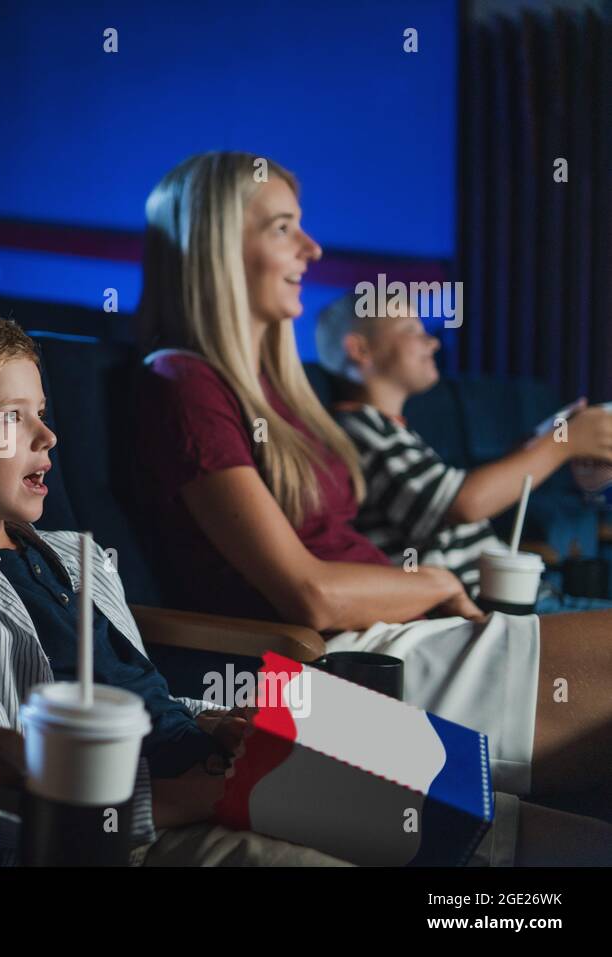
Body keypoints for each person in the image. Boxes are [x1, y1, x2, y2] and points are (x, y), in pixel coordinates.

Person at [0, 308, 608, 866]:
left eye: (44, 414)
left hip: (204, 754)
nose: (47, 437)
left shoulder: (73, 553)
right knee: (416, 837)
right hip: (144, 821)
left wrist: (221, 720)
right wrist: (188, 793)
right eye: (11, 420)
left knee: (466, 788)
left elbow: (146, 693)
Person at [134, 151, 612, 810]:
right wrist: (437, 582)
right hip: (336, 664)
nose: (312, 245)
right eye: (282, 228)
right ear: (215, 244)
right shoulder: (183, 383)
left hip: (387, 634)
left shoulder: (277, 394)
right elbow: (311, 594)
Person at [314, 291, 612, 611]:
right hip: (481, 609)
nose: (433, 343)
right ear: (360, 349)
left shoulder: (391, 430)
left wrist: (540, 443)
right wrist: (563, 443)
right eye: (412, 330)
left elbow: (460, 493)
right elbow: (461, 504)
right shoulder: (356, 429)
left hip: (520, 599)